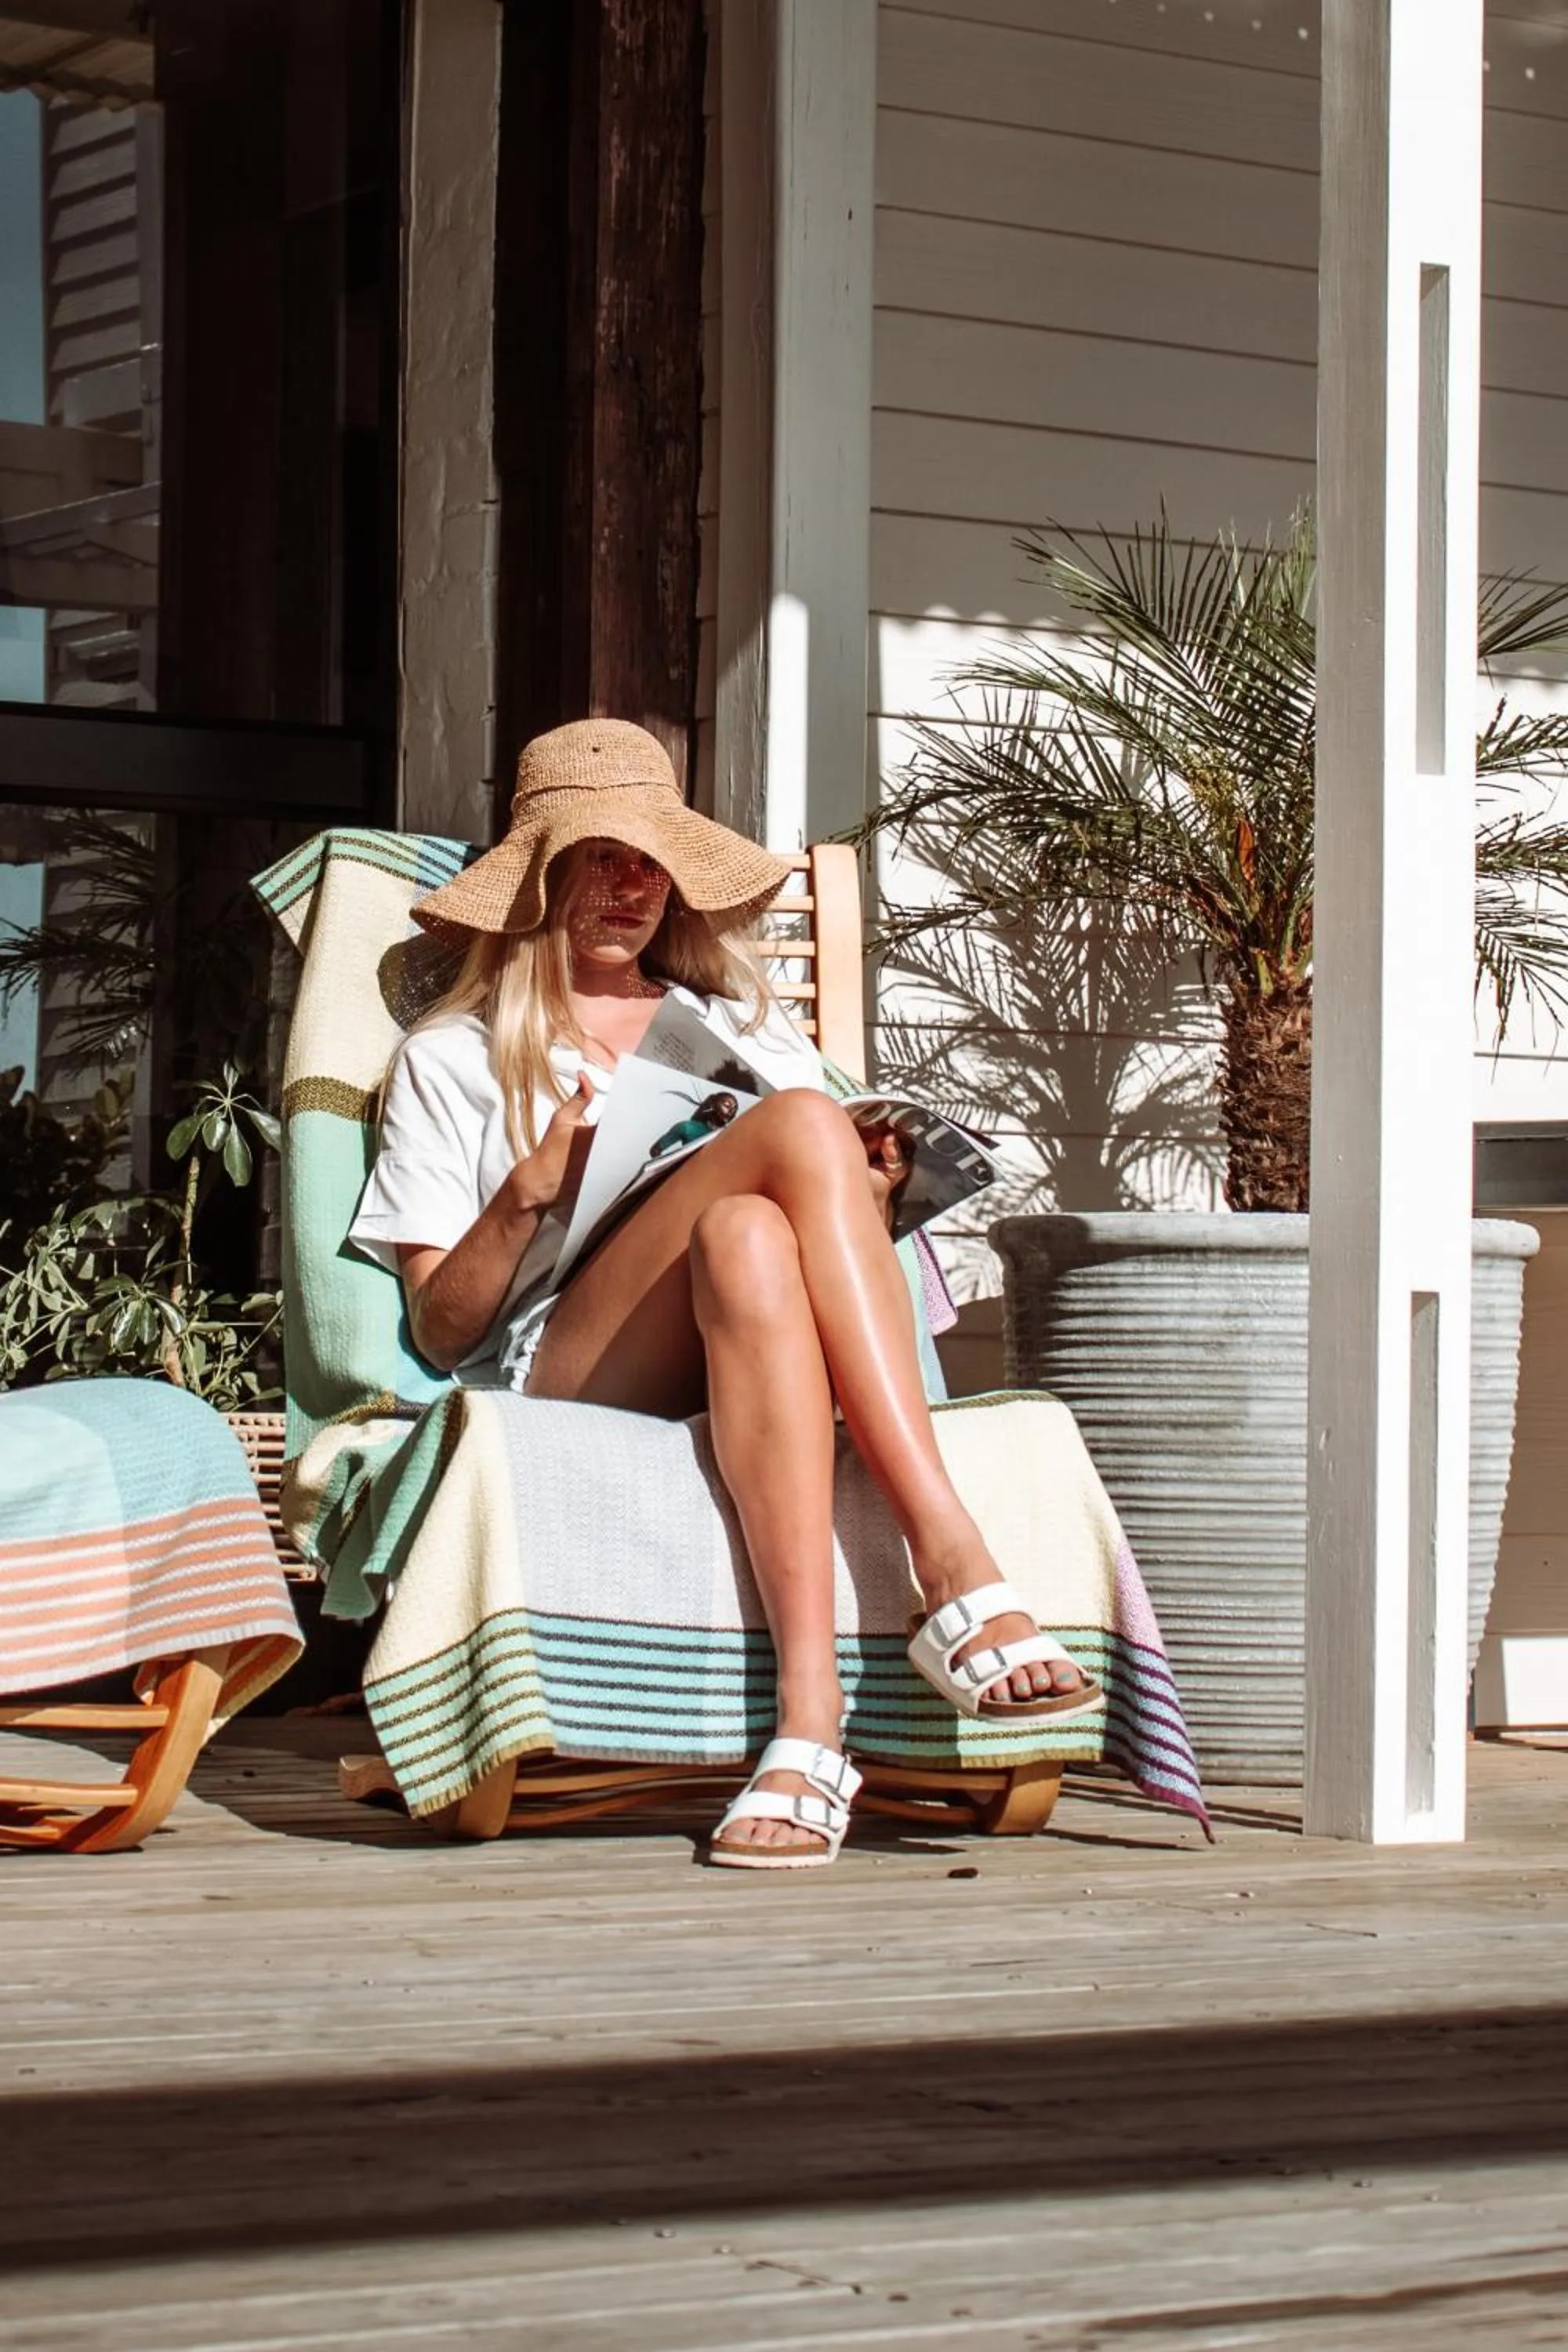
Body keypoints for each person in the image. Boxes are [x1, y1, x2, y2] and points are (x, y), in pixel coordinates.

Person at [350, 720, 1101, 1871]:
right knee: (797, 1123)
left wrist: (873, 1182)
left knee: (750, 1227)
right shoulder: (453, 1059)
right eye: (600, 857)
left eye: (652, 863)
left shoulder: (735, 1026)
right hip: (579, 1362)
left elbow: (809, 1220)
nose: (630, 885)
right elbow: (440, 1330)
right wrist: (530, 1190)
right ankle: (952, 1559)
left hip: (748, 1327)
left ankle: (810, 1727)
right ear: (540, 877)